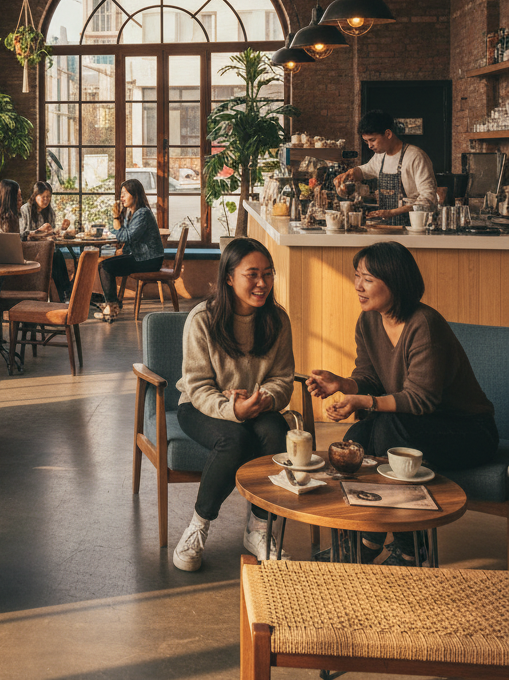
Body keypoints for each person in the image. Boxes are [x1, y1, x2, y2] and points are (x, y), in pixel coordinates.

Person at [307, 242, 497, 566]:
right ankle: (368, 538)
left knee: (385, 432)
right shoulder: (368, 321)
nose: (357, 286)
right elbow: (370, 377)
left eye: (366, 278)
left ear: (393, 282)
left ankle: (410, 549)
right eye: (357, 276)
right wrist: (343, 384)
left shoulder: (424, 325)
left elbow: (421, 400)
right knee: (357, 438)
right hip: (414, 425)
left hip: (467, 432)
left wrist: (363, 400)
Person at [172, 237, 295, 571]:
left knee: (278, 434)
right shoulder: (202, 319)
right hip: (201, 408)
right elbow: (197, 385)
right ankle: (198, 525)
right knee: (234, 439)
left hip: (258, 407)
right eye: (252, 274)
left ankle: (258, 527)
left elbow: (283, 377)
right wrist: (231, 410)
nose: (262, 283)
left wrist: (266, 397)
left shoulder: (277, 320)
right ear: (228, 276)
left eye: (268, 274)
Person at [334, 109, 437, 226]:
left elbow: (428, 200)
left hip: (411, 226)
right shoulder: (380, 156)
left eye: (373, 140)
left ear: (388, 134)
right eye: (366, 141)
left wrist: (393, 212)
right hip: (386, 226)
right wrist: (349, 174)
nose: (369, 146)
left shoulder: (415, 157)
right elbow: (364, 171)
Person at [99, 178, 163, 315]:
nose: (121, 197)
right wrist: (123, 250)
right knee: (104, 265)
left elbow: (126, 236)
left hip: (149, 260)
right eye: (121, 194)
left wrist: (116, 218)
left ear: (135, 195)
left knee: (105, 267)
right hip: (141, 257)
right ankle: (113, 304)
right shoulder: (132, 213)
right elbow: (129, 238)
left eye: (125, 193)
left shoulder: (142, 213)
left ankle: (112, 307)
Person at [19, 180, 72, 301]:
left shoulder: (50, 212)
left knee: (55, 255)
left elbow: (51, 235)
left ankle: (63, 296)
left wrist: (61, 230)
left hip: (45, 250)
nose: (46, 200)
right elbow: (21, 235)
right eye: (43, 197)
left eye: (48, 197)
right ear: (35, 196)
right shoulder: (25, 210)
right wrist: (39, 231)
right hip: (29, 251)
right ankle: (65, 293)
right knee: (56, 256)